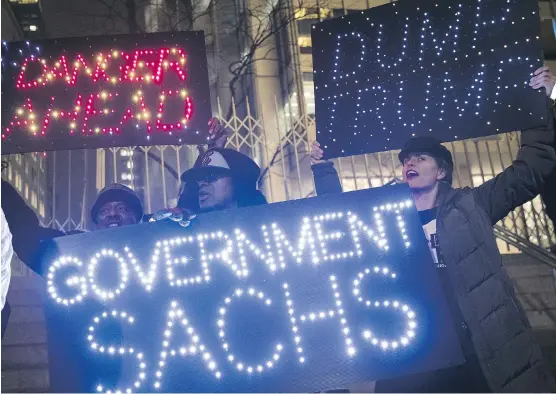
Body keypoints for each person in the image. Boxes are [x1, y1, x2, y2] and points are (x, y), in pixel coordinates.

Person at [309, 67, 556, 392]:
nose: (410, 164)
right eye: (407, 160)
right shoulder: (386, 218)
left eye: (421, 159)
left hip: (476, 352)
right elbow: (338, 217)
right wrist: (323, 168)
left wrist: (545, 103)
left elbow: (529, 171)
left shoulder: (471, 206)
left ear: (441, 172)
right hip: (415, 357)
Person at [154, 118, 267, 225]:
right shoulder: (191, 231)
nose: (202, 183)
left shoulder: (263, 224)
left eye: (211, 176)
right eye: (198, 179)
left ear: (237, 181)